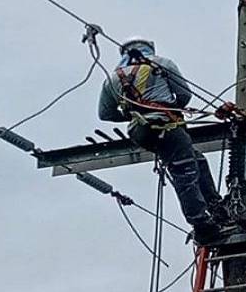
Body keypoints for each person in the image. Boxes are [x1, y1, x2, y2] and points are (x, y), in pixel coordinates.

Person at [98, 36, 230, 243]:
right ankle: (201, 223)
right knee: (185, 171)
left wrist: (134, 113)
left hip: (140, 132)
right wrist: (164, 108)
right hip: (166, 125)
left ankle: (215, 205)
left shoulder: (112, 78)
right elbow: (184, 95)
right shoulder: (161, 63)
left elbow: (105, 114)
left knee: (197, 160)